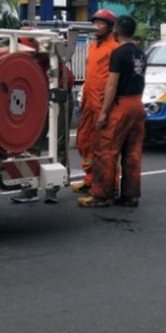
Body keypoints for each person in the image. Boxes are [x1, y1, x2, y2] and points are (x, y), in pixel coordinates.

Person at [80, 14, 146, 209]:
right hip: (137, 104)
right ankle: (130, 196)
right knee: (132, 153)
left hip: (121, 105)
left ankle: (102, 196)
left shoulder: (118, 52)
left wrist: (103, 113)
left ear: (115, 30)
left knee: (106, 151)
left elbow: (111, 85)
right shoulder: (139, 53)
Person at [70, 10, 120, 195]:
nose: (97, 27)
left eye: (102, 23)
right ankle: (90, 179)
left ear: (110, 27)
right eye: (95, 23)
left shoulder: (115, 48)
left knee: (105, 146)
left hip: (103, 103)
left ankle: (109, 184)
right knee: (85, 141)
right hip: (89, 103)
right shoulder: (92, 46)